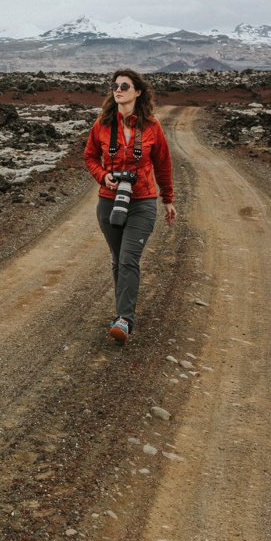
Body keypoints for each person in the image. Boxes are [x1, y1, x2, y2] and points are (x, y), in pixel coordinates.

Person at [83, 68, 176, 344]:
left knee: (128, 258)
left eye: (125, 85)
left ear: (138, 92)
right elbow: (89, 156)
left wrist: (168, 199)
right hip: (108, 202)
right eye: (115, 85)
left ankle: (124, 320)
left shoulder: (152, 127)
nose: (118, 89)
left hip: (142, 202)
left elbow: (163, 163)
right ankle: (121, 313)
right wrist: (104, 176)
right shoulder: (101, 124)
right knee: (117, 259)